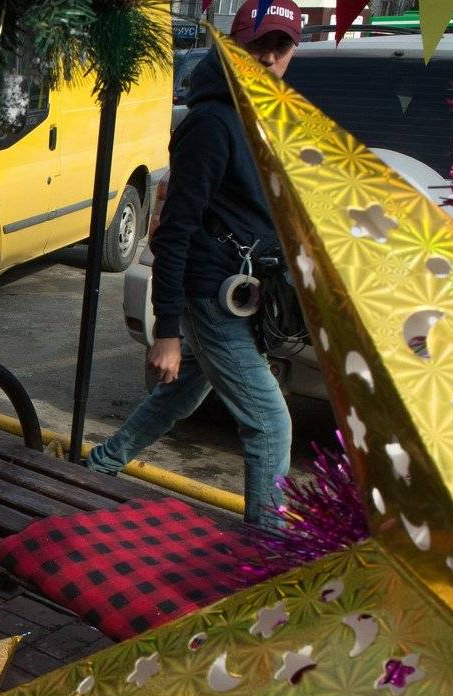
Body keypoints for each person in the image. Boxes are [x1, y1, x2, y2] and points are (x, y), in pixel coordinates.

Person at [87, 0, 302, 529]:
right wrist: (167, 331)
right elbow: (174, 230)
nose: (270, 58)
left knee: (176, 400)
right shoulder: (212, 123)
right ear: (233, 50)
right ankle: (267, 548)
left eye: (281, 47)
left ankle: (99, 466)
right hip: (212, 295)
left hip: (242, 291)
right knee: (270, 425)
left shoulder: (267, 117)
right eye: (258, 47)